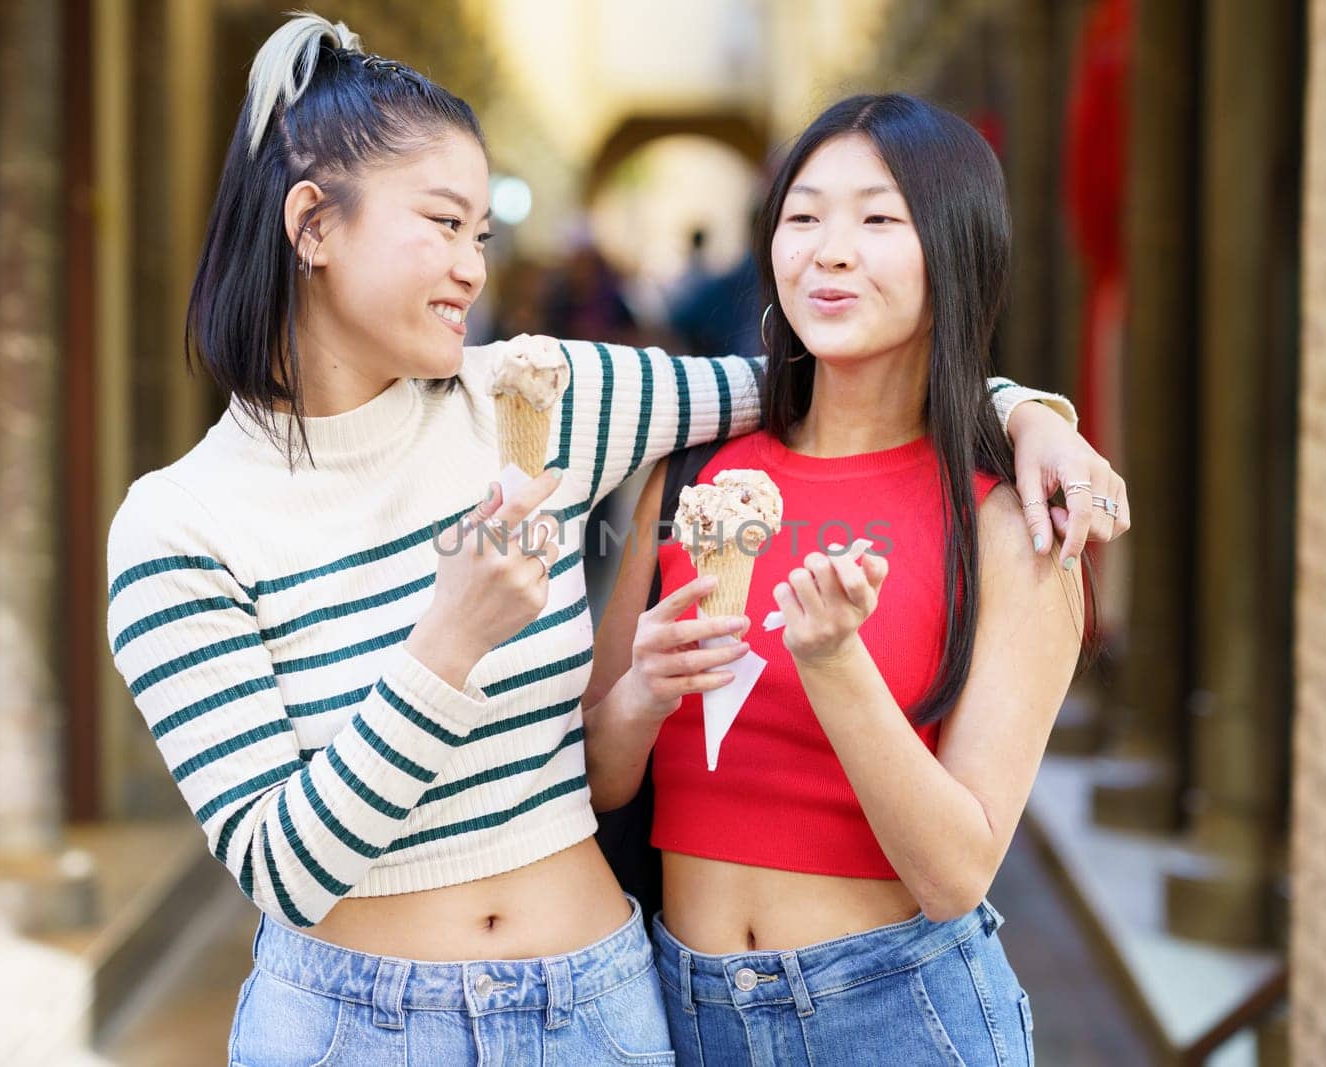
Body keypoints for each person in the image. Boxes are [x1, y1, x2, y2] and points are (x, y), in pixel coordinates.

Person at [104, 14, 1122, 1065]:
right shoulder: (180, 525)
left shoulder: (533, 394)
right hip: (353, 1026)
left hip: (600, 1011)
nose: (471, 267)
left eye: (481, 235)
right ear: (312, 224)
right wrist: (448, 642)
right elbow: (283, 869)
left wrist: (1031, 413)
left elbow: (824, 378)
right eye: (445, 223)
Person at [584, 93, 1103, 1066]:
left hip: (892, 1013)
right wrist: (646, 694)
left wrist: (834, 662)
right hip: (669, 1009)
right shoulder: (692, 474)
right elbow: (603, 774)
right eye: (802, 214)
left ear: (953, 250)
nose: (828, 249)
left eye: (877, 218)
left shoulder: (1008, 526)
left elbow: (956, 872)